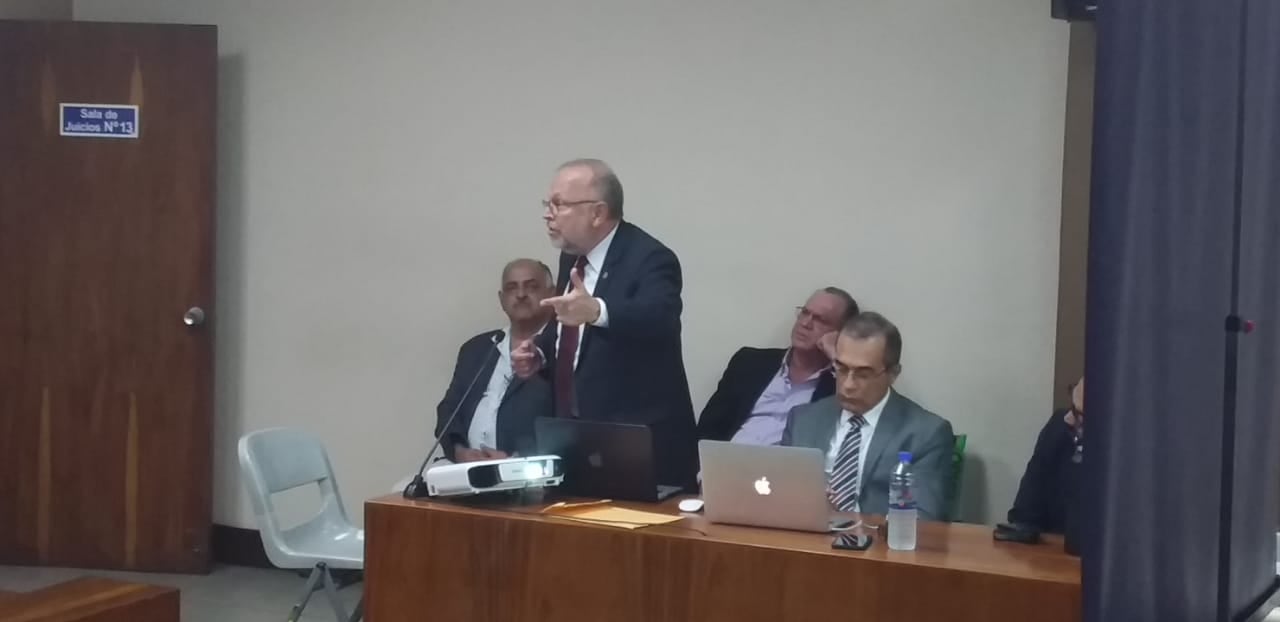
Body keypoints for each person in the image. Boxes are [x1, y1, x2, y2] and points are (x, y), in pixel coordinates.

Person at [511, 158, 697, 486]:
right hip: (575, 439)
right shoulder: (572, 257)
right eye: (547, 204)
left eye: (558, 204)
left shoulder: (651, 258)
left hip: (638, 445)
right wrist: (539, 353)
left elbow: (660, 319)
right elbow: (567, 328)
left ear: (597, 213)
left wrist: (598, 311)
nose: (548, 214)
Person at [782, 311, 955, 521]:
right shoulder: (802, 420)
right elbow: (779, 494)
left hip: (877, 540)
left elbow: (924, 518)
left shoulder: (926, 433)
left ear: (893, 374)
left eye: (863, 374)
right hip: (806, 534)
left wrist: (846, 520)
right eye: (841, 369)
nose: (848, 385)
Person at [696, 288, 858, 444]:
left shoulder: (839, 385)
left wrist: (837, 356)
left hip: (791, 463)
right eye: (805, 312)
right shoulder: (749, 363)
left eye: (820, 320)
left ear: (840, 333)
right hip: (728, 459)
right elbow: (706, 430)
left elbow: (858, 427)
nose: (805, 323)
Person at [434, 259, 556, 462]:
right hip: (466, 467)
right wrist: (459, 451)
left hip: (529, 470)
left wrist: (514, 459)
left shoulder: (562, 349)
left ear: (552, 294)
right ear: (501, 299)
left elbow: (568, 425)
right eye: (511, 288)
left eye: (531, 286)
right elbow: (449, 410)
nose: (521, 294)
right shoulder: (477, 349)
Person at [1005, 376, 1085, 534]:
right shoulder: (1059, 427)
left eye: (1079, 414)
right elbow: (1024, 512)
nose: (1068, 418)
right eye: (1072, 406)